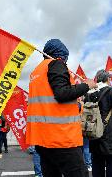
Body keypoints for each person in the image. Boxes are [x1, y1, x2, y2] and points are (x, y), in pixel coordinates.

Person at [26, 39, 96, 177]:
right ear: (60, 55)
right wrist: (87, 85)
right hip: (61, 137)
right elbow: (62, 93)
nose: (65, 61)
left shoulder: (36, 72)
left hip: (42, 138)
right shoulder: (56, 63)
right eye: (65, 58)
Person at [86, 69, 112, 177]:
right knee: (111, 164)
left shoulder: (89, 93)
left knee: (97, 163)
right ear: (107, 79)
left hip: (94, 132)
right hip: (111, 133)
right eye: (110, 78)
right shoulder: (111, 91)